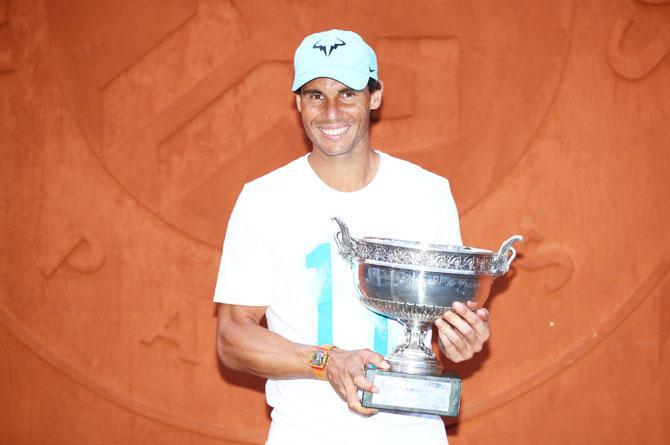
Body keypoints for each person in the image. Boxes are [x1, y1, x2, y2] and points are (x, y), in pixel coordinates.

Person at [214, 29, 491, 445]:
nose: (330, 112)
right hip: (303, 434)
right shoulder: (263, 199)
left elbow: (439, 331)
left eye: (347, 93)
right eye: (315, 95)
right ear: (298, 103)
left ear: (373, 97)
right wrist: (327, 362)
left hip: (413, 434)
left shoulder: (427, 193)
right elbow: (232, 336)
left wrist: (460, 340)